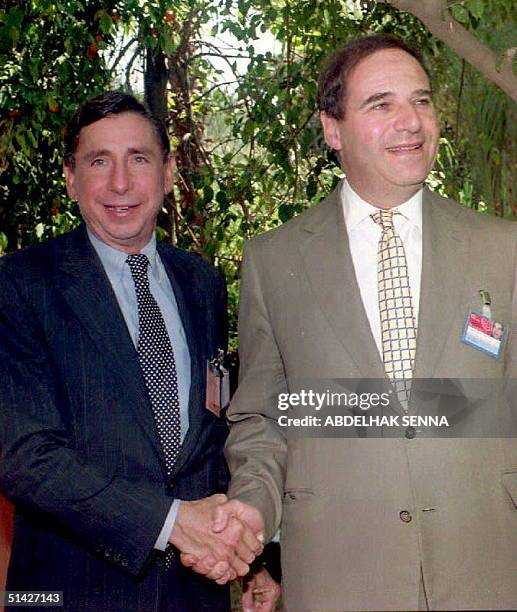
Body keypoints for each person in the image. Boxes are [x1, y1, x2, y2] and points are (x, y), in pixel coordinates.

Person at [207, 35, 517, 610]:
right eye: (382, 103)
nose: (412, 121)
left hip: (489, 567)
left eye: (422, 101)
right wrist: (251, 506)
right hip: (339, 574)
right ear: (332, 128)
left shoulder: (503, 249)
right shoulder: (274, 262)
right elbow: (262, 418)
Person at [0, 91, 278, 611]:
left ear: (168, 173)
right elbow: (24, 458)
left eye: (139, 159)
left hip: (195, 594)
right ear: (70, 178)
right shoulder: (20, 285)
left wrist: (251, 555)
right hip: (70, 593)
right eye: (99, 161)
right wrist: (171, 523)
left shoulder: (203, 283)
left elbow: (211, 431)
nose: (120, 183)